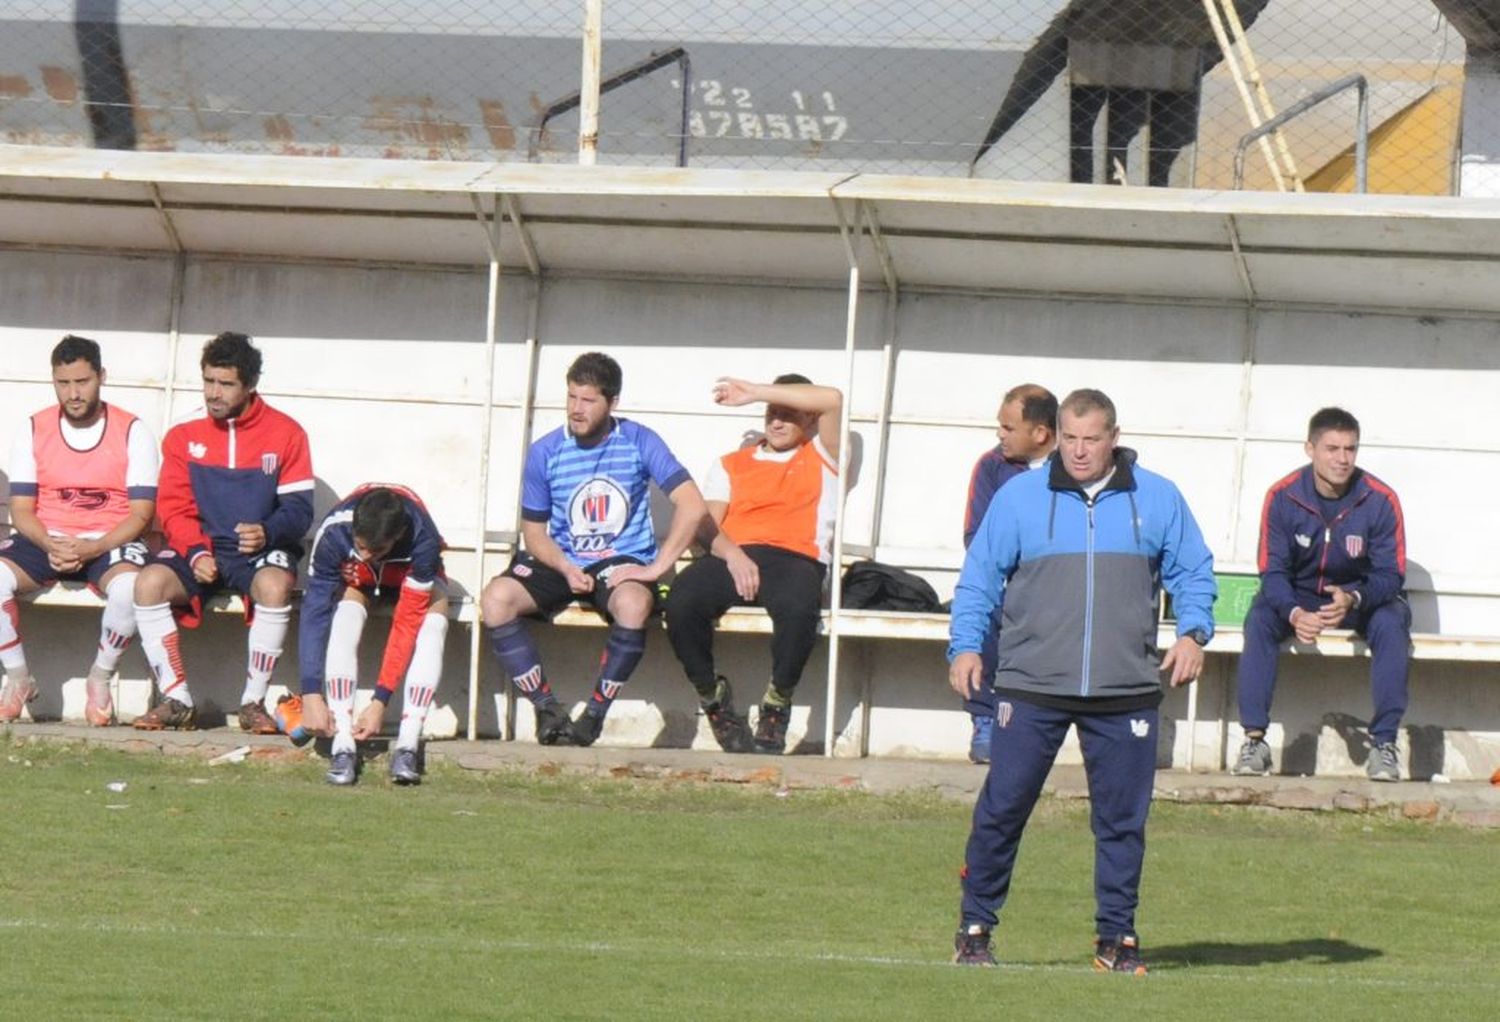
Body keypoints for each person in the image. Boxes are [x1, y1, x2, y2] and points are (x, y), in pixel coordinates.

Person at [948, 388, 1215, 973]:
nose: (1079, 450)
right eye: (1069, 438)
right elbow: (979, 578)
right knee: (1002, 809)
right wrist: (966, 645)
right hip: (1030, 683)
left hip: (1126, 692)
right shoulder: (1019, 496)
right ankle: (974, 929)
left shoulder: (1160, 498)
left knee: (1122, 823)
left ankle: (1116, 938)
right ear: (1056, 437)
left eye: (1091, 438)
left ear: (1114, 438)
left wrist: (1194, 632)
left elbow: (1194, 570)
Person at [480, 352, 706, 747]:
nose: (576, 409)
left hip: (621, 561)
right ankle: (547, 709)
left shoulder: (638, 439)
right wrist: (564, 566)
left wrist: (654, 570)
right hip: (562, 559)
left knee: (634, 605)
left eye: (588, 400)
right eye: (571, 398)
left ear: (612, 402)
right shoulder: (545, 451)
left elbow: (693, 505)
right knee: (496, 600)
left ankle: (595, 715)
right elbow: (534, 533)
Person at [130, 332, 314, 731]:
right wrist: (196, 552)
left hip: (259, 550)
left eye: (226, 384)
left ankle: (252, 703)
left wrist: (267, 531)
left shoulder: (287, 434)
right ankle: (176, 698)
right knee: (147, 585)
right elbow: (173, 508)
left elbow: (299, 511)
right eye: (209, 381)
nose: (214, 393)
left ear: (249, 385)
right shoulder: (183, 434)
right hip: (201, 549)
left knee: (275, 586)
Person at [664, 374, 843, 754]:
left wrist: (755, 392)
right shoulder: (732, 463)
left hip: (796, 557)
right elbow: (707, 525)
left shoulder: (823, 455)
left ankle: (777, 703)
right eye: (770, 414)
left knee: (798, 607)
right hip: (735, 554)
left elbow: (832, 399)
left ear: (809, 420)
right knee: (681, 600)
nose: (776, 422)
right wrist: (734, 555)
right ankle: (713, 697)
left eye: (788, 414)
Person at [1232, 407, 1410, 782]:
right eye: (1332, 448)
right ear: (1310, 449)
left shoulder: (1380, 499)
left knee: (1392, 622)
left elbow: (1390, 575)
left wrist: (1354, 598)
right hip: (1300, 599)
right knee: (1261, 618)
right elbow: (1273, 570)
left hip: (1360, 600)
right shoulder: (1282, 496)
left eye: (1350, 449)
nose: (1342, 459)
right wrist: (1295, 612)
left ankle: (1384, 746)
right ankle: (1254, 742)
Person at [0, 335, 158, 725]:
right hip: (46, 537)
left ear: (101, 377)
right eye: (63, 383)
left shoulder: (132, 430)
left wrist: (93, 548)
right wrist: (48, 541)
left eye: (82, 381)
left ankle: (100, 677)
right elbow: (21, 510)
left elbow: (140, 515)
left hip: (109, 540)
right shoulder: (34, 428)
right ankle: (18, 677)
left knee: (130, 589)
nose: (73, 393)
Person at [296, 484, 447, 786]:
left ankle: (407, 744)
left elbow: (406, 624)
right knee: (344, 615)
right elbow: (314, 611)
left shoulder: (423, 539)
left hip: (406, 576)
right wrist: (310, 693)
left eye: (375, 549)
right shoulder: (335, 532)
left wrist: (380, 701)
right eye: (359, 546)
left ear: (399, 535)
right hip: (361, 581)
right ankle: (343, 744)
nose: (365, 554)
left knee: (433, 624)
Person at [953, 383, 1057, 764]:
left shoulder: (1072, 469)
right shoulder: (992, 466)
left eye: (1008, 428)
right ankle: (985, 719)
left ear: (1041, 433)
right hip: (1011, 578)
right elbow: (975, 537)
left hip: (1060, 582)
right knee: (983, 604)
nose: (1000, 434)